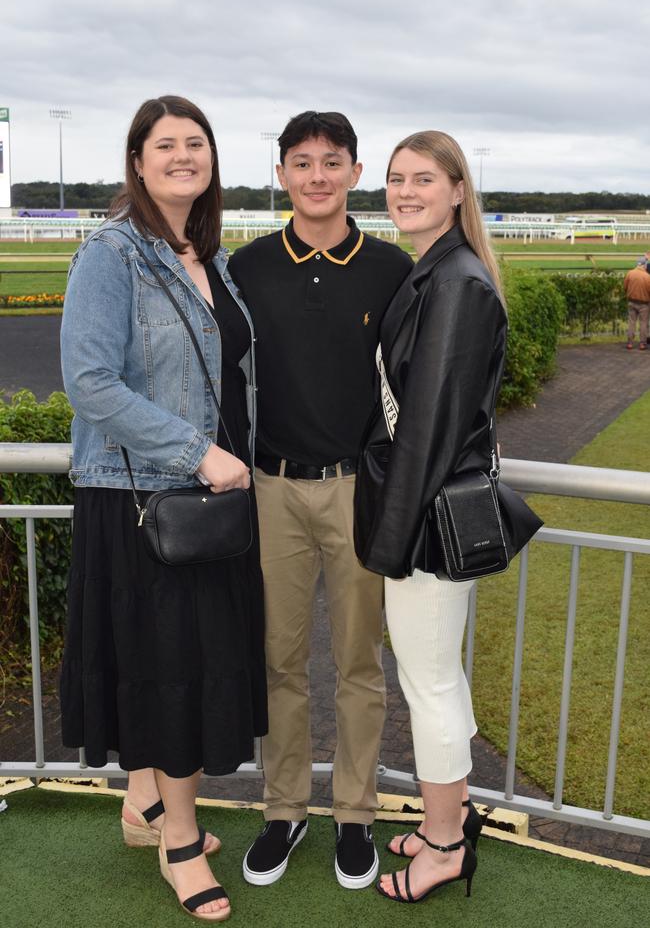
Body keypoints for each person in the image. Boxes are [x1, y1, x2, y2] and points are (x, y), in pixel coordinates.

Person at [60, 95, 267, 922]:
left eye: (197, 143)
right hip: (146, 501)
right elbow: (89, 382)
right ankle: (181, 842)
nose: (184, 155)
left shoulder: (206, 255)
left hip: (204, 507)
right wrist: (199, 453)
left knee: (163, 668)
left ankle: (143, 804)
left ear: (211, 160)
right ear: (138, 162)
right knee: (175, 675)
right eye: (166, 145)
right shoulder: (112, 253)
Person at [228, 111, 412, 890]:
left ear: (355, 171)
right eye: (301, 163)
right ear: (280, 175)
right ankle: (284, 810)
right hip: (269, 488)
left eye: (331, 161)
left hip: (355, 492)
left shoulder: (392, 268)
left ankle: (356, 816)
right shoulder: (246, 265)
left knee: (360, 665)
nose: (316, 176)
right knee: (280, 662)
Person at [354, 130, 508, 904]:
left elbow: (427, 431)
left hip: (425, 525)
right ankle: (450, 817)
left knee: (430, 686)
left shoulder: (456, 283)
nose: (404, 191)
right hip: (426, 513)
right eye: (394, 179)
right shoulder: (440, 270)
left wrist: (390, 542)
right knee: (436, 675)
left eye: (422, 178)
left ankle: (445, 844)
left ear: (456, 189)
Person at [623, 258, 650, 350]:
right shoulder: (647, 276)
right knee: (643, 323)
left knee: (631, 322)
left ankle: (630, 343)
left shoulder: (630, 273)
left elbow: (625, 286)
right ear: (644, 265)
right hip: (644, 303)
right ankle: (642, 344)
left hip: (631, 301)